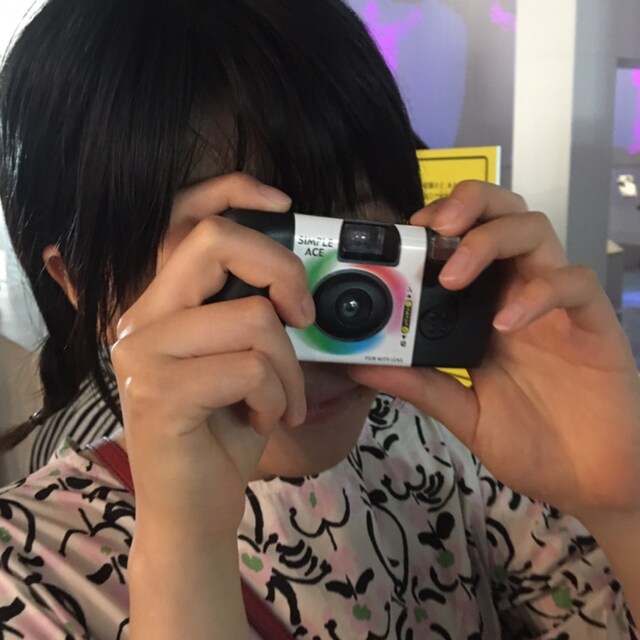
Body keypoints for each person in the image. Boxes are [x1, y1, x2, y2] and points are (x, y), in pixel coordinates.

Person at [0, 0, 639, 638]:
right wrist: (183, 560)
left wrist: (623, 501)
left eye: (346, 249)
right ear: (80, 283)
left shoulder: (440, 439)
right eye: (235, 271)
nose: (309, 332)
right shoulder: (29, 571)